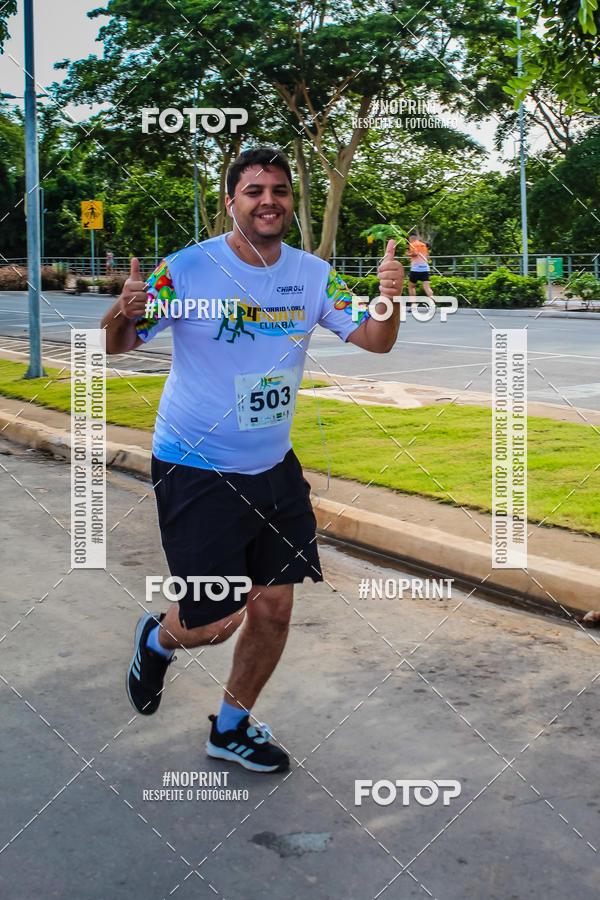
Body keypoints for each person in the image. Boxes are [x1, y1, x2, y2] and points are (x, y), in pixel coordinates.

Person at [100, 147, 404, 773]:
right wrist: (121, 310)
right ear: (231, 202)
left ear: (292, 202)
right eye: (254, 191)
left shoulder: (313, 273)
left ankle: (231, 727)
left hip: (273, 468)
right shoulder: (185, 269)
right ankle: (158, 639)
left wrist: (387, 299)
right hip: (196, 464)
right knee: (216, 621)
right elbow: (119, 344)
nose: (269, 201)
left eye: (281, 191)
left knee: (274, 607)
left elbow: (376, 341)